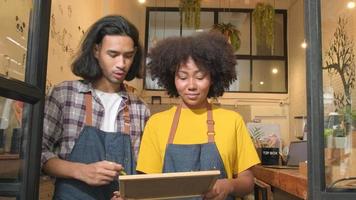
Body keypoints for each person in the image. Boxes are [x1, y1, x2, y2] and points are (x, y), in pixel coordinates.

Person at [136, 32, 260, 200]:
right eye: (183, 77)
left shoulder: (233, 121)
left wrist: (229, 185)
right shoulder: (156, 124)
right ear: (172, 79)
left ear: (212, 78)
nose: (192, 85)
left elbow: (248, 181)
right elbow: (146, 185)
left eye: (200, 76)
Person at [41, 15, 150, 200]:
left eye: (128, 56)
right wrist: (80, 171)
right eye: (113, 54)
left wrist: (132, 193)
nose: (121, 64)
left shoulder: (140, 109)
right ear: (96, 50)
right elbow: (38, 153)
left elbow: (143, 170)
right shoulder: (64, 94)